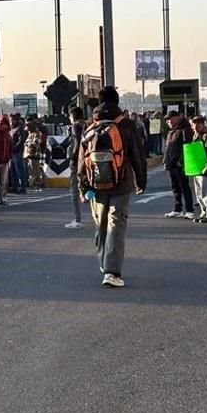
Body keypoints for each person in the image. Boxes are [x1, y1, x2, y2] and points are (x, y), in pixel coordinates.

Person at [77, 87, 147, 288]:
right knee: (116, 225)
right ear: (117, 103)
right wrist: (141, 181)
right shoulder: (126, 124)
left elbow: (82, 158)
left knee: (101, 225)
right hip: (121, 183)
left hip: (96, 184)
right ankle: (112, 271)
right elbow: (137, 154)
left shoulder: (90, 125)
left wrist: (83, 185)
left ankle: (103, 263)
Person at [163, 111, 195, 220]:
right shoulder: (172, 132)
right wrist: (165, 161)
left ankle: (189, 210)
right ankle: (178, 209)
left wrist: (181, 160)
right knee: (175, 187)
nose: (169, 122)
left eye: (170, 119)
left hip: (179, 163)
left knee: (184, 186)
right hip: (171, 163)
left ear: (177, 118)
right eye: (167, 121)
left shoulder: (184, 130)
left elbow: (187, 146)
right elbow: (168, 148)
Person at [65, 107, 86, 229]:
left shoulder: (75, 126)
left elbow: (77, 142)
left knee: (74, 190)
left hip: (77, 162)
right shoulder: (88, 124)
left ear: (73, 116)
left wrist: (73, 157)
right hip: (87, 161)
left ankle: (77, 219)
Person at [23, 120, 45, 192]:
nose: (27, 129)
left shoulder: (37, 133)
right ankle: (35, 184)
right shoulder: (30, 134)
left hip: (34, 155)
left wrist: (27, 144)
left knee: (36, 171)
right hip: (29, 155)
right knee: (32, 171)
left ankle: (34, 184)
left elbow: (35, 143)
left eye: (28, 127)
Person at [9, 114, 28, 194]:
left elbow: (21, 141)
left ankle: (23, 187)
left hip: (17, 152)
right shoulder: (11, 129)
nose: (10, 121)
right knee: (12, 171)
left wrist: (14, 148)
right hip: (11, 153)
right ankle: (14, 186)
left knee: (20, 170)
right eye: (10, 120)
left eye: (12, 120)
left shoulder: (19, 129)